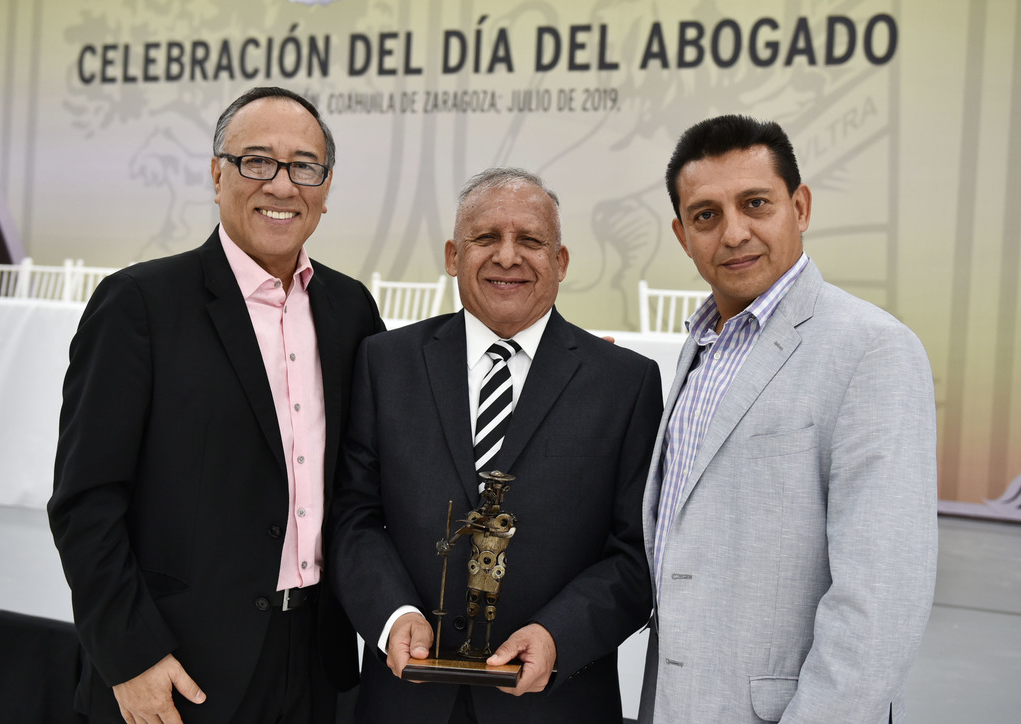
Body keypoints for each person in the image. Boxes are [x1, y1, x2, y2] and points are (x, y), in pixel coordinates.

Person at [47, 86, 383, 724]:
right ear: (216, 173)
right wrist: (131, 656)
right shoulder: (139, 304)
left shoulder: (351, 310)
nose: (281, 185)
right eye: (257, 161)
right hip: (179, 666)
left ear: (326, 186)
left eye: (304, 167)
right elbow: (86, 502)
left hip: (319, 662)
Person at [329, 167, 663, 723]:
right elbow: (353, 517)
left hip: (555, 704)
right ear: (452, 256)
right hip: (405, 698)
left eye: (530, 240)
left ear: (560, 262)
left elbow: (637, 552)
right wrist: (391, 616)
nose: (508, 257)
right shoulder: (384, 363)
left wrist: (558, 635)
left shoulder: (626, 383)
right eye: (485, 238)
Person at [639, 114, 938, 723]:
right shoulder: (699, 346)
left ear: (799, 207)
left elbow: (880, 599)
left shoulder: (872, 349)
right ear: (682, 234)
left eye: (755, 204)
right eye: (706, 215)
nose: (733, 233)